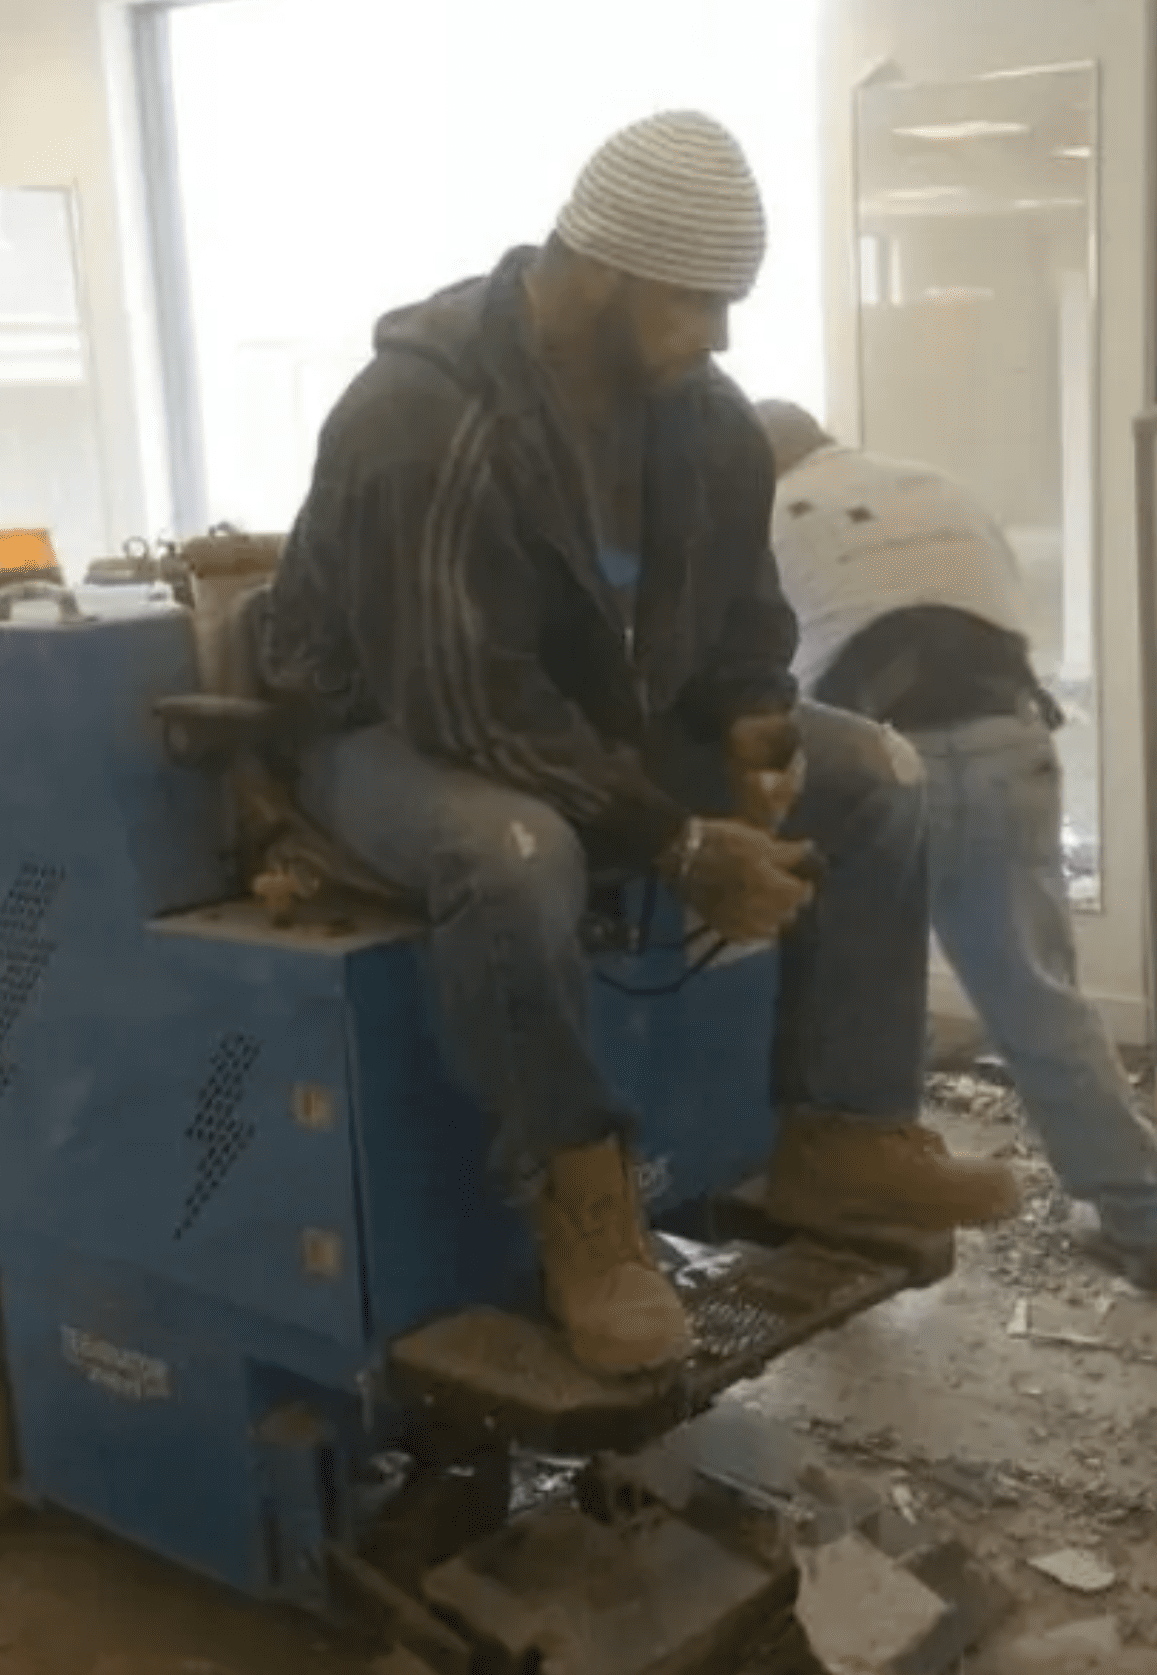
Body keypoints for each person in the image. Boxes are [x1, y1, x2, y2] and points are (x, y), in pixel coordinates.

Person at [254, 112, 1018, 1380]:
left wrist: (753, 725)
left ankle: (840, 1130)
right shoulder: (421, 417)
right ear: (599, 273)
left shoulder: (701, 422)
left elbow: (739, 621)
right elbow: (466, 703)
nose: (718, 337)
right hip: (381, 725)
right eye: (695, 302)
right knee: (513, 849)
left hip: (581, 718)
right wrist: (674, 839)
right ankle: (584, 1206)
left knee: (874, 775)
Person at [752, 400, 1157, 1292]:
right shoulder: (937, 487)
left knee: (845, 1012)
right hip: (1007, 744)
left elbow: (759, 681)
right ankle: (1141, 1221)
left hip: (877, 771)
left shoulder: (763, 517)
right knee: (1040, 1000)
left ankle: (852, 1212)